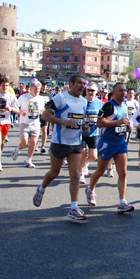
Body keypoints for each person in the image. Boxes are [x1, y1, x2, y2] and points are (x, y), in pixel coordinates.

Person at [32, 75, 90, 220]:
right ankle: (41, 188)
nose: (82, 86)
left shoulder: (84, 101)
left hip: (75, 143)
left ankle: (73, 208)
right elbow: (45, 115)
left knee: (76, 175)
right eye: (78, 83)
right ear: (70, 84)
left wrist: (85, 127)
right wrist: (64, 122)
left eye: (83, 84)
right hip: (60, 142)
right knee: (54, 172)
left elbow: (80, 120)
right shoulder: (60, 98)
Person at [85, 83, 134, 214]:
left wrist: (127, 126)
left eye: (125, 90)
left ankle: (122, 202)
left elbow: (124, 120)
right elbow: (99, 122)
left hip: (120, 142)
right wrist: (117, 123)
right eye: (121, 91)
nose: (124, 93)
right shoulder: (109, 106)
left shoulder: (124, 105)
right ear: (114, 92)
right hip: (107, 143)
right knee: (100, 171)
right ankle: (90, 189)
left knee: (123, 173)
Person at [0, 75, 20, 172]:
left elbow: (18, 110)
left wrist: (11, 109)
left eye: (7, 86)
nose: (5, 88)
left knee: (1, 142)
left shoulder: (11, 96)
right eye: (3, 86)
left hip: (6, 121)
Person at [11, 81, 45, 168]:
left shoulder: (41, 99)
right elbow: (15, 108)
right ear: (30, 89)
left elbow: (42, 109)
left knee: (33, 143)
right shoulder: (24, 97)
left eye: (38, 89)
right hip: (24, 123)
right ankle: (17, 149)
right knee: (24, 144)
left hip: (35, 123)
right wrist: (21, 112)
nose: (37, 91)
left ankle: (29, 160)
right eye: (35, 89)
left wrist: (42, 111)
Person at [79, 83, 103, 184]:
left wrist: (100, 126)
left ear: (96, 92)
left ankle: (85, 164)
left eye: (92, 90)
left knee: (93, 156)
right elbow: (77, 117)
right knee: (83, 154)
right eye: (88, 90)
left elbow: (101, 118)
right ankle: (80, 174)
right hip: (82, 133)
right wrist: (83, 126)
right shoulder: (82, 101)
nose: (90, 92)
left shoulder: (99, 103)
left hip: (94, 132)